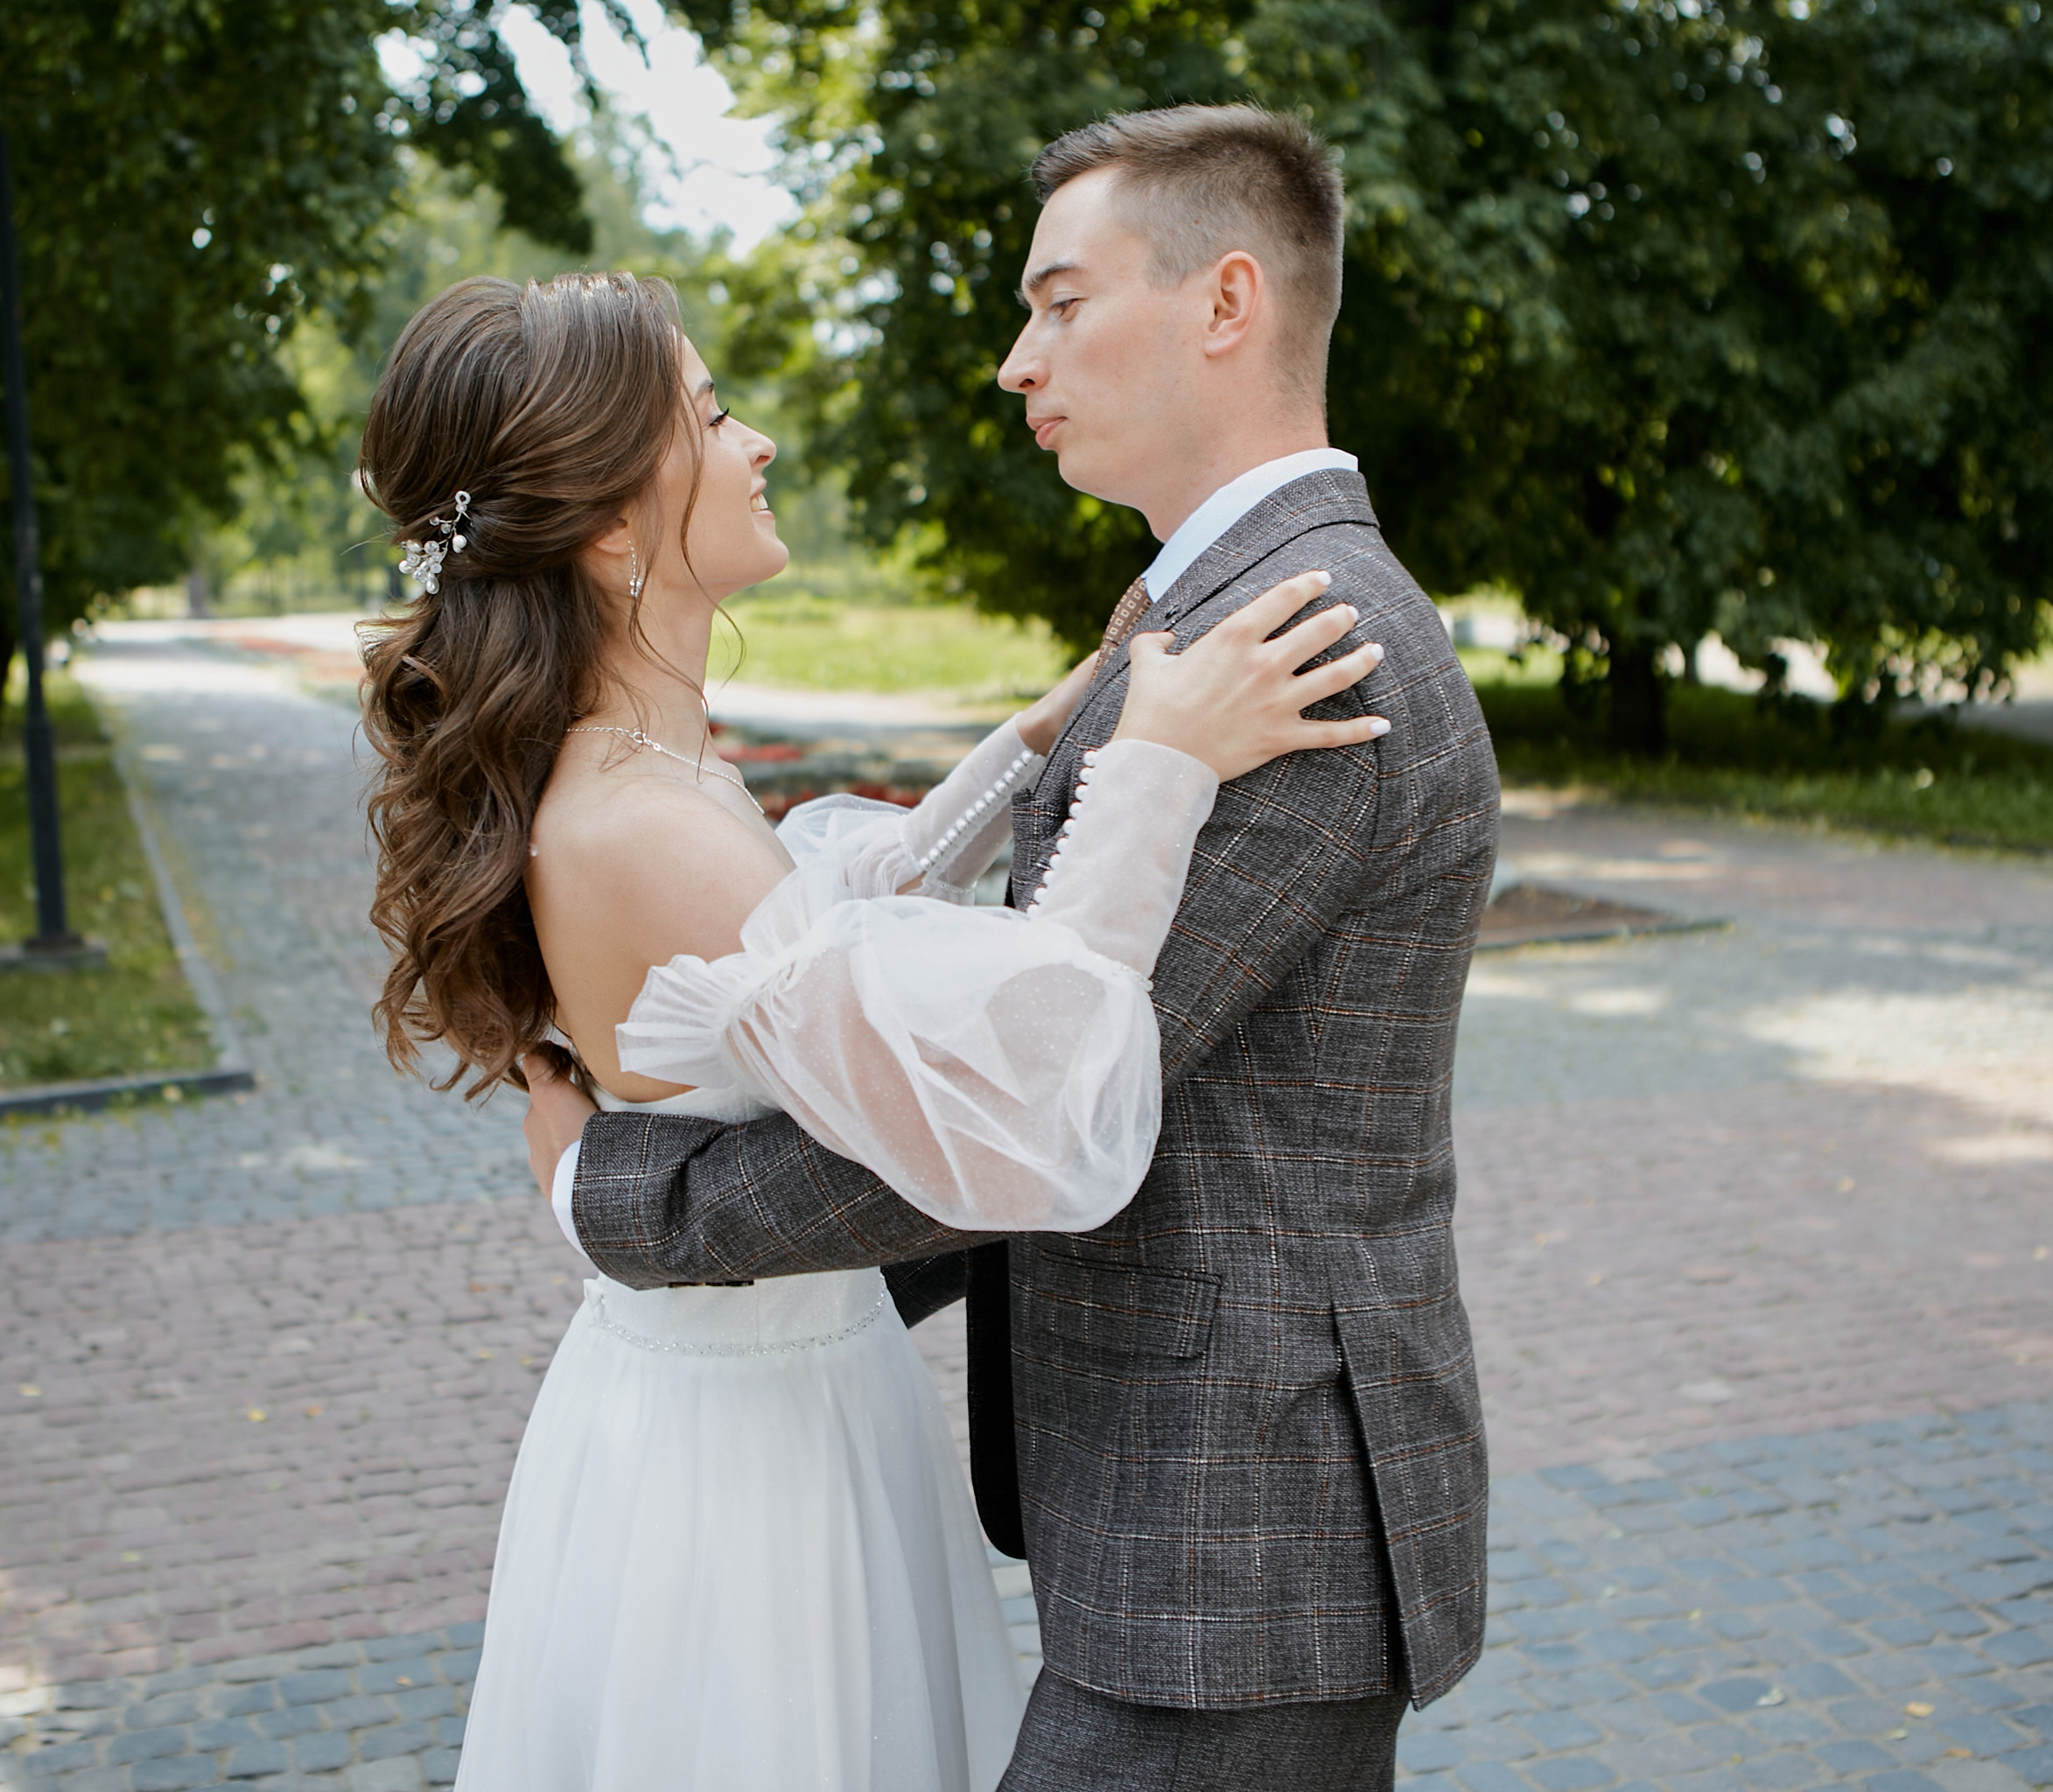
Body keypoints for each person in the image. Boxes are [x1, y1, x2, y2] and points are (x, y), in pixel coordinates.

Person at [528, 103, 1503, 1790]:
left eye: (1060, 303)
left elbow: (1016, 1104)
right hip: (1202, 1531)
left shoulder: (1301, 646)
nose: (1014, 361)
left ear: (1227, 302)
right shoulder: (1203, 627)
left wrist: (630, 1205)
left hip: (1244, 1548)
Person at [356, 269, 1388, 1792]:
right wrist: (1157, 766)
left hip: (768, 1391)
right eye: (713, 416)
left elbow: (822, 925)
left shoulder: (653, 771)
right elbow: (1021, 1100)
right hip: (750, 1463)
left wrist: (1039, 738)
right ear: (614, 528)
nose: (757, 441)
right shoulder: (638, 821)